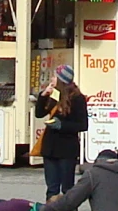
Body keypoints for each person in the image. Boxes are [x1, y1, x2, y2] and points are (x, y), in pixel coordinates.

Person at [35, 65, 89, 199]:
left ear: (61, 80)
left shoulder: (77, 98)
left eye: (54, 76)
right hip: (50, 148)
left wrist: (61, 125)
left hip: (66, 149)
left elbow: (83, 125)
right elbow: (39, 113)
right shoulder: (54, 94)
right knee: (52, 189)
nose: (52, 79)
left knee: (67, 189)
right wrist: (43, 95)